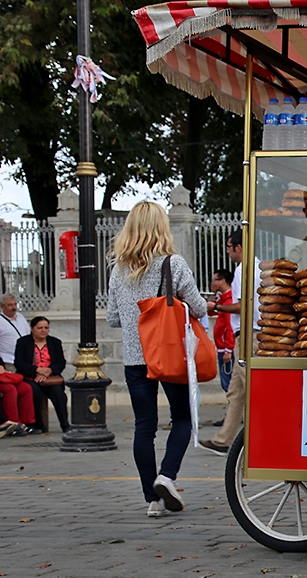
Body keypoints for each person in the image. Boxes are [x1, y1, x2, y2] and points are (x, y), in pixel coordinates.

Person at [106, 200, 206, 518]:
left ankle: (153, 498)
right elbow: (198, 307)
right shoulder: (172, 264)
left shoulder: (118, 269)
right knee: (183, 418)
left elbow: (112, 318)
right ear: (162, 227)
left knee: (143, 427)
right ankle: (167, 476)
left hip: (135, 359)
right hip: (168, 353)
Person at [200, 229, 261, 457]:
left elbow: (242, 306)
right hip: (247, 335)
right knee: (236, 391)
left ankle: (263, 435)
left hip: (247, 336)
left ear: (239, 247)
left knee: (254, 389)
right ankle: (224, 439)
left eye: (229, 246)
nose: (227, 251)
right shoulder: (254, 268)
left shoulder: (242, 270)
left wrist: (214, 307)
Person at [14, 316, 70, 433]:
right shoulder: (23, 342)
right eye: (40, 328)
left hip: (49, 378)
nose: (43, 330)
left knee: (58, 393)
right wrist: (37, 370)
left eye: (46, 328)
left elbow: (60, 363)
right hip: (30, 377)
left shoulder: (55, 342)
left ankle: (65, 425)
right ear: (32, 329)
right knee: (35, 392)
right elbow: (19, 363)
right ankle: (39, 425)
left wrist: (47, 371)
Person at [0, 348, 38, 435]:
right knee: (10, 389)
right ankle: (14, 423)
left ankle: (27, 422)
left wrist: (0, 366)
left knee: (25, 388)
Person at [209, 268, 235, 396]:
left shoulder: (229, 300)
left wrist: (228, 350)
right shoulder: (223, 299)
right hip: (222, 347)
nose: (213, 282)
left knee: (229, 383)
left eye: (215, 279)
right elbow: (210, 311)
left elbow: (230, 326)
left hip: (226, 348)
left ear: (223, 280)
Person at [0, 293, 31, 371]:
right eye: (10, 305)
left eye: (15, 304)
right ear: (2, 307)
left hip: (25, 360)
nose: (14, 307)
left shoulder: (20, 317)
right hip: (8, 361)